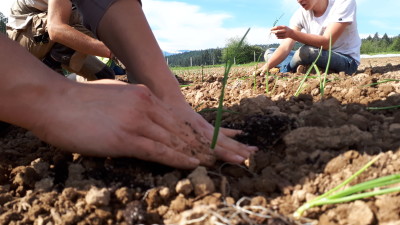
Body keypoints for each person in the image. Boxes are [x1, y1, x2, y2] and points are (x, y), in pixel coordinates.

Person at [0, 0, 258, 169]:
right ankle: (43, 77)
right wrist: (52, 98)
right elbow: (57, 28)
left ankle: (54, 76)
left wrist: (167, 94)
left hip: (52, 38)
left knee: (106, 76)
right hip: (28, 37)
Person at [6, 0, 115, 80]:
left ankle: (67, 81)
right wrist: (113, 52)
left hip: (52, 35)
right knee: (79, 16)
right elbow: (56, 29)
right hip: (25, 40)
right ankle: (52, 63)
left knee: (104, 76)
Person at [258, 0, 361, 75]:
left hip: (346, 61)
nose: (299, 1)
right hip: (316, 55)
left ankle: (287, 69)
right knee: (270, 53)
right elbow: (285, 47)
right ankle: (305, 66)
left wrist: (291, 33)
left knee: (306, 52)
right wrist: (266, 67)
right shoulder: (300, 14)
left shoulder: (343, 2)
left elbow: (326, 43)